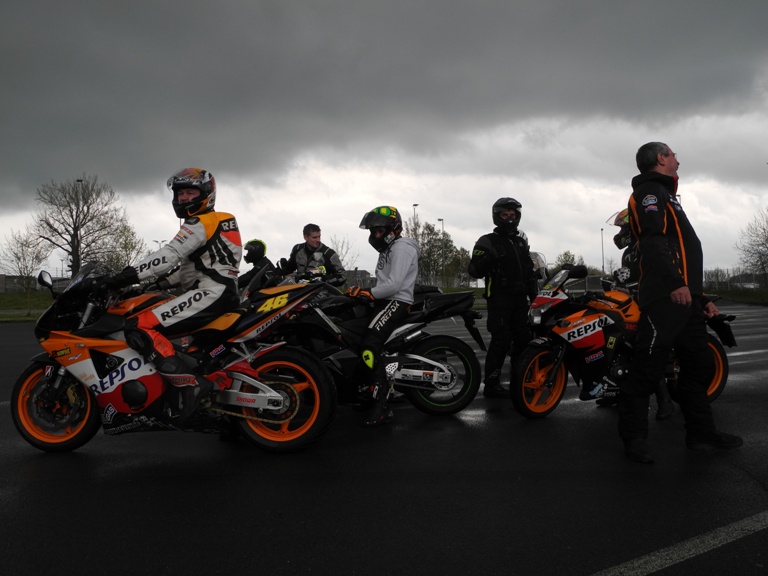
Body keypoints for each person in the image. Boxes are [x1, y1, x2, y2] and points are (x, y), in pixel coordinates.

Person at [619, 142, 743, 463]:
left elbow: (683, 254)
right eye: (673, 154)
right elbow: (653, 241)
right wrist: (675, 284)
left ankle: (701, 435)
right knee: (647, 370)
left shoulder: (668, 195)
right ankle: (634, 441)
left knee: (699, 365)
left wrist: (700, 298)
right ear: (661, 158)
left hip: (686, 300)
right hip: (664, 298)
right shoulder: (650, 193)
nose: (678, 159)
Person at [105, 167, 242, 423]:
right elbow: (194, 268)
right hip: (219, 291)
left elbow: (168, 257)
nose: (184, 198)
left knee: (139, 325)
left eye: (190, 192)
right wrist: (153, 285)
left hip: (211, 293)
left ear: (206, 194)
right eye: (180, 193)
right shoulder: (219, 221)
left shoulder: (200, 223)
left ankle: (191, 386)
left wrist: (123, 277)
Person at [349, 206, 419, 426]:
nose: (375, 235)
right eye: (373, 231)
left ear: (393, 229)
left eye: (379, 230)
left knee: (370, 347)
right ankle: (365, 391)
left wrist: (368, 292)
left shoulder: (402, 248)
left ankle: (381, 406)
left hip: (397, 301)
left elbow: (394, 285)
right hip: (385, 300)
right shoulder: (388, 249)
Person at [602, 209, 674, 420]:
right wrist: (617, 281)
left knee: (644, 348)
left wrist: (632, 283)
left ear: (633, 226)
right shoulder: (629, 251)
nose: (620, 233)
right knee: (619, 339)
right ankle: (615, 391)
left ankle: (665, 400)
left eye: (623, 228)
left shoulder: (648, 245)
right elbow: (631, 277)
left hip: (654, 301)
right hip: (636, 301)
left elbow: (654, 275)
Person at [468, 198, 538, 398]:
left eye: (512, 214)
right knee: (501, 340)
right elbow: (474, 271)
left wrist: (535, 297)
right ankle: (491, 384)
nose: (509, 218)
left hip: (520, 299)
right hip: (499, 298)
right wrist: (489, 258)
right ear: (497, 216)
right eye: (505, 215)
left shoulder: (520, 241)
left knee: (523, 340)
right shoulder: (487, 241)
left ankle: (520, 380)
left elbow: (529, 272)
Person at [280, 223, 346, 286]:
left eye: (319, 237)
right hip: (300, 290)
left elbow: (342, 276)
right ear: (305, 237)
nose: (318, 240)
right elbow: (289, 269)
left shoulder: (329, 254)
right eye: (314, 237)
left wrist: (324, 281)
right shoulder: (297, 250)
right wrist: (281, 271)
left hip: (321, 291)